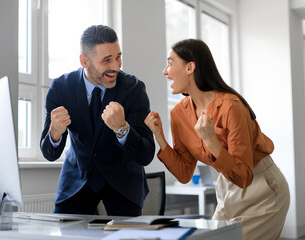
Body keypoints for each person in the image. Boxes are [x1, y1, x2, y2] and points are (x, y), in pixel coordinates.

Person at [144, 39, 290, 240]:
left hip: (261, 189)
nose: (165, 71)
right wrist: (159, 137)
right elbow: (185, 173)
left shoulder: (231, 106)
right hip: (227, 189)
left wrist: (211, 140)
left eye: (170, 63)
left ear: (190, 67)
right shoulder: (179, 113)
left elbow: (244, 176)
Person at [40, 25, 155, 216]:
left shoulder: (134, 89)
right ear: (84, 61)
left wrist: (122, 129)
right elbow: (50, 153)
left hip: (123, 182)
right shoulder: (61, 88)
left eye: (118, 57)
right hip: (77, 178)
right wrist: (54, 133)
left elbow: (146, 154)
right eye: (107, 60)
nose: (116, 67)